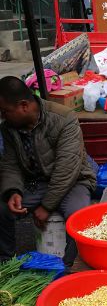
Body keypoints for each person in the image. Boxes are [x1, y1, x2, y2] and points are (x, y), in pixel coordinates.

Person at [0, 76, 96, 266]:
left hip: (74, 180)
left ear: (24, 106)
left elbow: (67, 168)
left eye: (5, 112)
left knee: (78, 216)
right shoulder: (9, 128)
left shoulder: (63, 118)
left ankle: (70, 266)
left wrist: (46, 206)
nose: (3, 117)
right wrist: (14, 191)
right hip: (36, 182)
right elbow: (10, 163)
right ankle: (5, 263)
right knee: (2, 208)